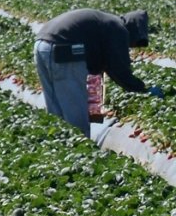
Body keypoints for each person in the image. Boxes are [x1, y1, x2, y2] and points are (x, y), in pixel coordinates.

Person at [33, 9, 161, 137]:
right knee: (75, 110)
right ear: (133, 30)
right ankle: (79, 147)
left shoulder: (106, 23)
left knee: (55, 107)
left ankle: (59, 144)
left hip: (41, 44)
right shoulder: (118, 29)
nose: (130, 46)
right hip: (65, 48)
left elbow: (100, 63)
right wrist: (142, 90)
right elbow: (119, 70)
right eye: (133, 43)